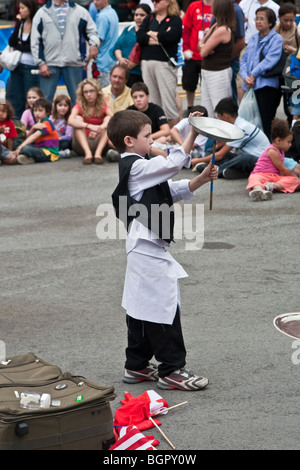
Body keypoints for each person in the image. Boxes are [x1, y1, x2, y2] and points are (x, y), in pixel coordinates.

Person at [108, 109, 218, 391]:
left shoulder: (141, 166)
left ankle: (137, 365)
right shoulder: (136, 166)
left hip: (144, 245)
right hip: (146, 247)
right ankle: (172, 369)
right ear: (130, 141)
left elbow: (169, 188)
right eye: (147, 136)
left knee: (140, 306)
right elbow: (172, 165)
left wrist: (201, 179)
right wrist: (193, 132)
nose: (152, 140)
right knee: (164, 306)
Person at [30, 0, 100, 107]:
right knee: (45, 101)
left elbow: (92, 31)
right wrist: (41, 63)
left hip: (74, 62)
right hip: (49, 64)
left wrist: (94, 44)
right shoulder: (42, 13)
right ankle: (44, 124)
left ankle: (77, 123)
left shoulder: (80, 11)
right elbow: (35, 40)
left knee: (78, 101)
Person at [192, 97, 270, 179]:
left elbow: (220, 155)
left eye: (219, 117)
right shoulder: (238, 124)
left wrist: (198, 160)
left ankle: (217, 170)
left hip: (260, 160)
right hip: (247, 160)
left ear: (225, 115)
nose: (220, 121)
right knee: (213, 150)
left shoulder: (241, 128)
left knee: (244, 157)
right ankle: (237, 172)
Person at [136, 0, 182, 127]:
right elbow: (140, 37)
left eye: (157, 0)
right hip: (146, 62)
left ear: (167, 2)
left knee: (169, 104)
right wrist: (159, 37)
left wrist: (150, 34)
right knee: (153, 103)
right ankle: (158, 136)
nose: (154, 3)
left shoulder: (175, 19)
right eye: (153, 1)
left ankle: (174, 139)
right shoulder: (149, 18)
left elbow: (171, 37)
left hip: (164, 64)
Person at [240, 7, 283, 140]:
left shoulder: (276, 39)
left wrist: (253, 74)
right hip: (250, 85)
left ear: (270, 22)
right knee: (250, 121)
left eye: (261, 19)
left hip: (267, 86)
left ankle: (268, 153)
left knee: (266, 121)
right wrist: (245, 76)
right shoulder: (253, 38)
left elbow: (270, 60)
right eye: (256, 18)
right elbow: (244, 60)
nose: (258, 21)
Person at [246, 118, 300, 201]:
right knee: (254, 178)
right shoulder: (272, 151)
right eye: (288, 142)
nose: (290, 145)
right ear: (278, 140)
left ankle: (271, 186)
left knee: (294, 181)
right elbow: (283, 169)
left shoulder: (281, 150)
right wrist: (295, 177)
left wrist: (294, 180)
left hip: (273, 178)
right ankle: (259, 190)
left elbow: (281, 172)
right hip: (261, 175)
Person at [198, 0, 235, 118]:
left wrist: (205, 47)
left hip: (218, 73)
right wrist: (205, 47)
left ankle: (222, 136)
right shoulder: (215, 25)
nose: (211, 5)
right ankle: (211, 136)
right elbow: (200, 44)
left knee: (220, 111)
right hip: (207, 71)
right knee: (207, 110)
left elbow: (203, 51)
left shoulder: (222, 30)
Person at [6, 0, 40, 119]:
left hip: (32, 67)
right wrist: (19, 23)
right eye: (19, 8)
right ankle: (17, 126)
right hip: (18, 66)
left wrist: (19, 46)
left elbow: (32, 46)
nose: (20, 11)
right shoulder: (21, 23)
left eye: (22, 8)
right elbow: (12, 42)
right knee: (14, 97)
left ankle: (31, 123)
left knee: (31, 98)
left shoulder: (38, 24)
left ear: (30, 9)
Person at [68, 78, 113, 165]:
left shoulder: (103, 105)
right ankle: (87, 154)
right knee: (77, 119)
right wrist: (88, 126)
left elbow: (113, 118)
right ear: (82, 94)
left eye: (92, 91)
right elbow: (70, 120)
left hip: (99, 142)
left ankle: (98, 155)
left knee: (108, 120)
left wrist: (100, 128)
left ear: (97, 92)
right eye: (86, 92)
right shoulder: (79, 106)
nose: (89, 94)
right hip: (81, 144)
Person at [181, 0, 214, 111]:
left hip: (210, 55)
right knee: (189, 84)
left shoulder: (218, 6)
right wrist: (185, 49)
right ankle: (190, 107)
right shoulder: (194, 6)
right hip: (192, 55)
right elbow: (186, 29)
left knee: (208, 86)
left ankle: (206, 110)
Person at [110, 4, 152, 87]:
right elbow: (117, 46)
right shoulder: (128, 29)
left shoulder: (151, 32)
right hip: (124, 71)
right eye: (136, 15)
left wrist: (134, 62)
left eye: (142, 15)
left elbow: (150, 51)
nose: (138, 17)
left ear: (149, 17)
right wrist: (120, 59)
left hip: (141, 73)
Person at [14, 98, 60, 164]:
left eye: (40, 111)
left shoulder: (46, 123)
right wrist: (32, 128)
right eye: (35, 110)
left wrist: (19, 148)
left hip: (49, 153)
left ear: (47, 112)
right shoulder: (39, 123)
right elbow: (28, 138)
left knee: (25, 148)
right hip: (39, 149)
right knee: (17, 142)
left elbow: (34, 136)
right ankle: (29, 158)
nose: (37, 113)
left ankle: (27, 156)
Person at [93, 0, 119, 89]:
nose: (95, 2)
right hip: (112, 61)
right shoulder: (113, 12)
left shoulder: (102, 17)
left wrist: (88, 59)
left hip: (102, 63)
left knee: (103, 95)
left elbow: (98, 40)